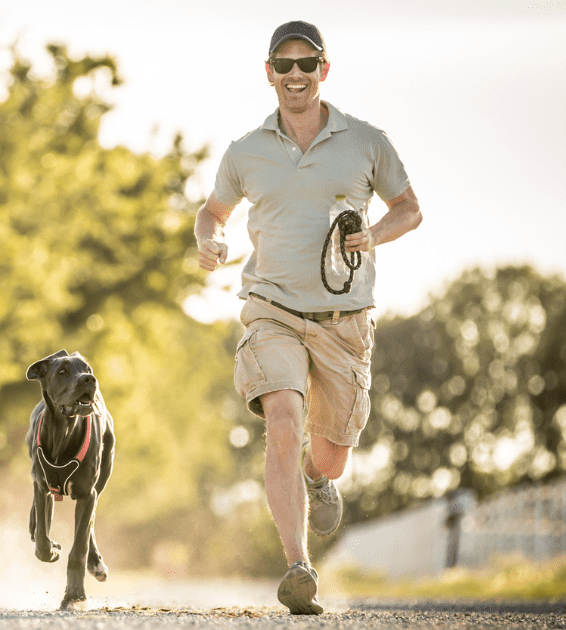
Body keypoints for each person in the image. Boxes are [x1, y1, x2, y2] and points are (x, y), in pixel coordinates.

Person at [193, 20, 422, 614]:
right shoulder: (245, 151)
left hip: (345, 321)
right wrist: (209, 240)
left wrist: (372, 236)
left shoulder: (367, 141)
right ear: (269, 73)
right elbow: (211, 211)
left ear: (325, 69)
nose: (296, 75)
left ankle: (319, 481)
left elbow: (409, 210)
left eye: (307, 63)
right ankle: (299, 566)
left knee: (329, 453)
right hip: (271, 309)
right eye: (284, 65)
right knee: (283, 417)